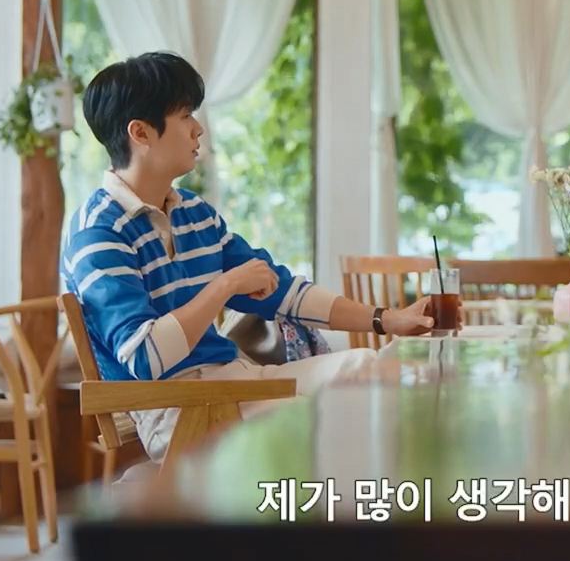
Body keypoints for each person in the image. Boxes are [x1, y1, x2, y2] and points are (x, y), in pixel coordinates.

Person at [63, 52, 434, 467]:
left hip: (234, 381)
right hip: (180, 406)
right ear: (141, 132)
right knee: (339, 413)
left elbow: (283, 291)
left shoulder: (194, 213)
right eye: (185, 115)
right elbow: (145, 358)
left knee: (364, 367)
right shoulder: (98, 232)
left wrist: (387, 319)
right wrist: (225, 286)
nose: (198, 128)